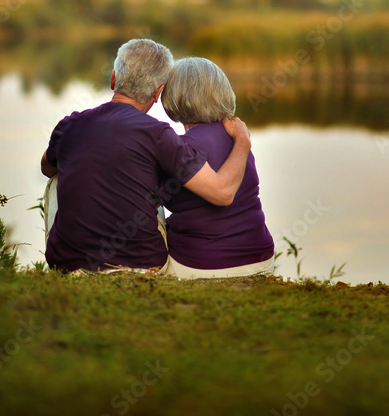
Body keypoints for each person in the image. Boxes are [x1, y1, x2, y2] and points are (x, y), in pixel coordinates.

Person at [40, 39, 252, 272]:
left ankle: (73, 254)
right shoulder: (159, 134)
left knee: (58, 177)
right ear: (158, 92)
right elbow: (222, 193)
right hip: (142, 265)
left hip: (66, 263)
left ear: (113, 79)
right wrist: (242, 141)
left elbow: (46, 168)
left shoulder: (70, 124)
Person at [160, 57, 275, 278]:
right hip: (261, 259)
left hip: (201, 266)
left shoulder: (180, 147)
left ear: (174, 96)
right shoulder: (238, 138)